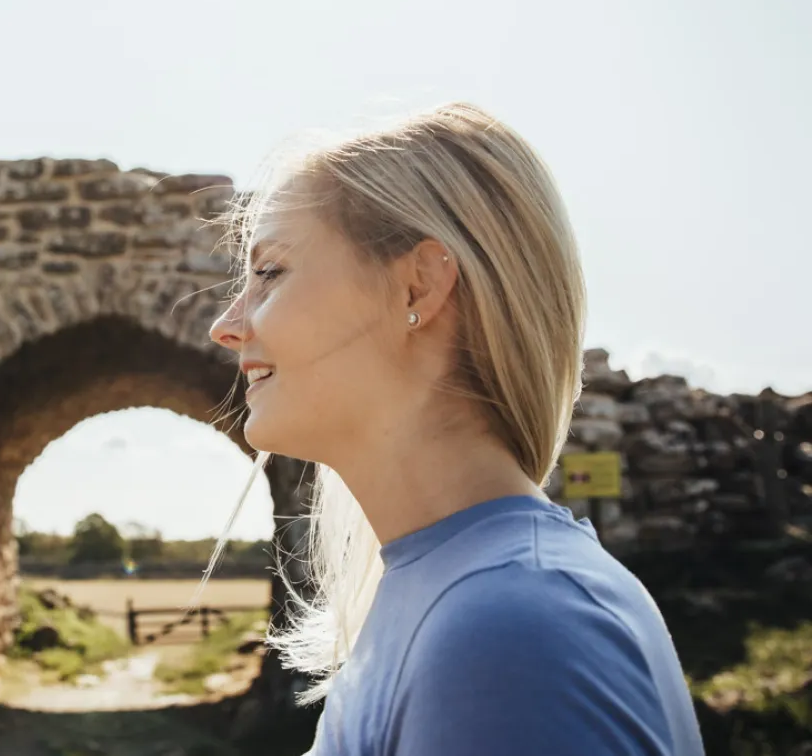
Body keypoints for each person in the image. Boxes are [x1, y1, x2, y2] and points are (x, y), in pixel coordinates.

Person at [207, 102, 705, 755]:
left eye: (271, 271)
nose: (227, 325)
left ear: (417, 287)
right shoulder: (453, 592)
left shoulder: (512, 628)